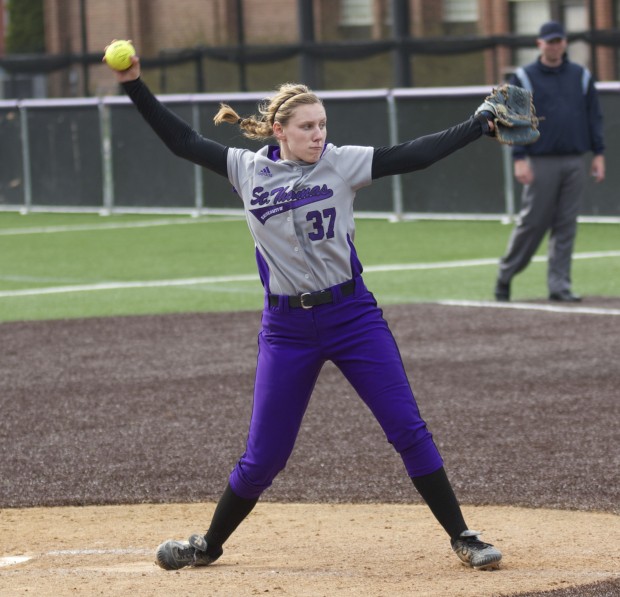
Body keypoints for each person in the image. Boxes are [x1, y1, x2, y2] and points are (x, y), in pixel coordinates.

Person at [105, 48, 503, 572]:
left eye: (322, 125)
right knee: (264, 455)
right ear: (279, 131)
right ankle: (208, 545)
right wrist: (134, 82)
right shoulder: (245, 170)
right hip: (287, 329)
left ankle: (463, 536)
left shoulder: (340, 162)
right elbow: (181, 141)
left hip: (353, 317)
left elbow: (415, 154)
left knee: (407, 427)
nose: (319, 134)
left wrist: (477, 124)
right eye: (308, 126)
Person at [494, 20, 605, 303]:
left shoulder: (581, 76)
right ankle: (506, 273)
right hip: (540, 160)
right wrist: (519, 158)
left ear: (564, 43)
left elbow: (594, 117)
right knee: (533, 222)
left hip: (574, 160)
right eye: (549, 41)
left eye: (559, 40)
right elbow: (514, 120)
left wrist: (598, 154)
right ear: (539, 44)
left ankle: (559, 285)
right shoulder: (525, 76)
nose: (555, 45)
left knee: (567, 224)